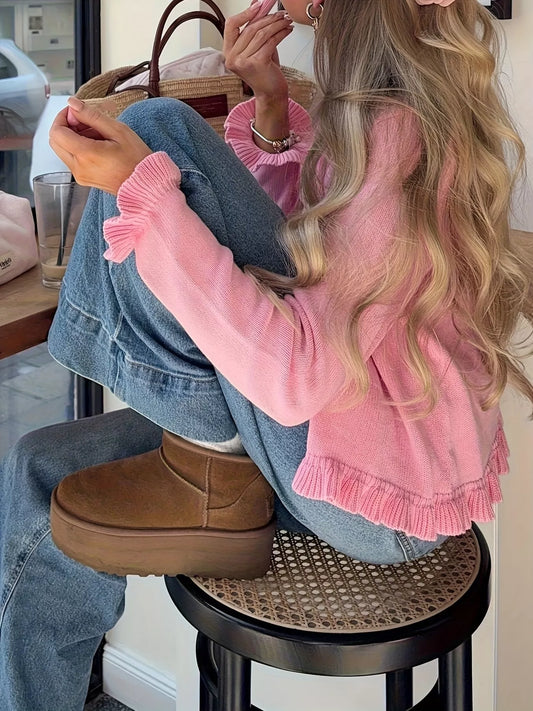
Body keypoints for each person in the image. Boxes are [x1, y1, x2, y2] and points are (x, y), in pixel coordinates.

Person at [1, 0, 531, 707]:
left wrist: (139, 190)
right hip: (347, 433)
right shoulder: (391, 114)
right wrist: (272, 107)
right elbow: (304, 257)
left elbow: (293, 376)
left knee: (156, 131)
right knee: (38, 468)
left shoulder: (397, 132)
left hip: (372, 497)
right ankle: (205, 448)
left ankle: (207, 445)